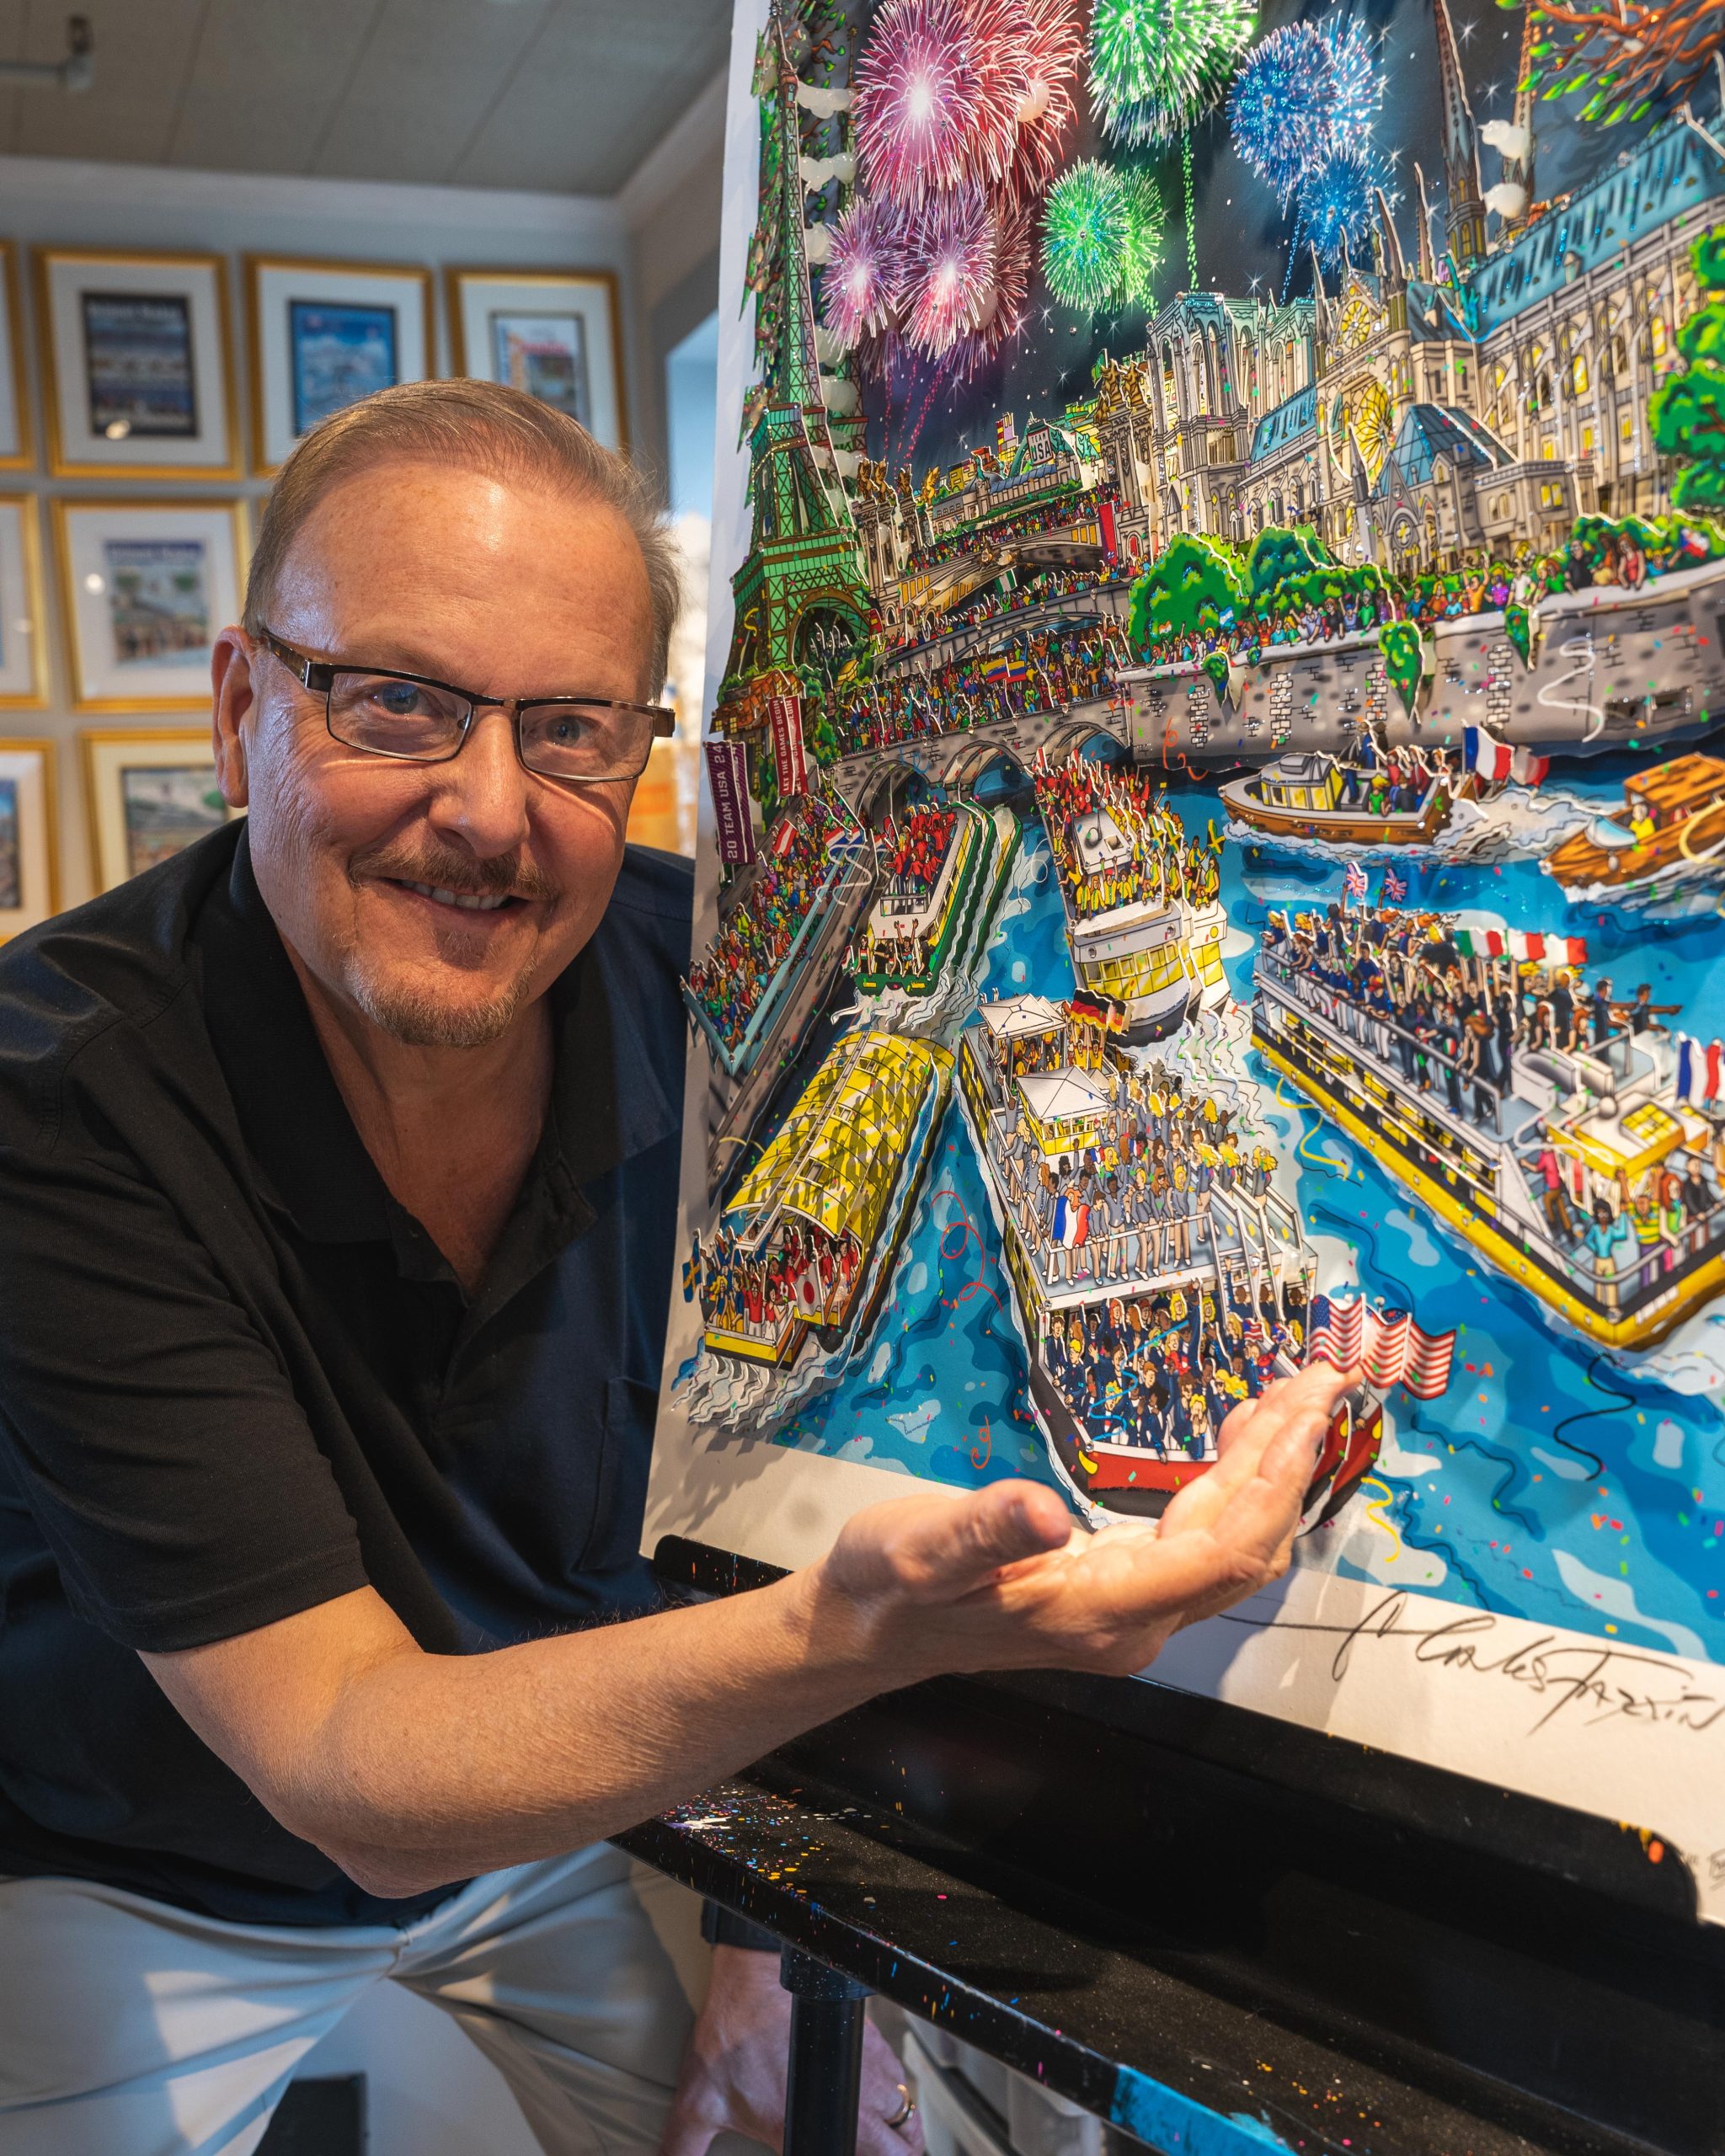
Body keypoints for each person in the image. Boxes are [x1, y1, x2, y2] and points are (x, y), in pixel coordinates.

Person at [0, 380, 1358, 2156]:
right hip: (140, 1864)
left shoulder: (699, 984)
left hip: (557, 1804)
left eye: (567, 729)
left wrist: (756, 1918)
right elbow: (346, 1758)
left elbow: (733, 1498)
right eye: (400, 700)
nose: (487, 810)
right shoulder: (61, 1104)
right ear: (245, 700)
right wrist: (849, 1637)